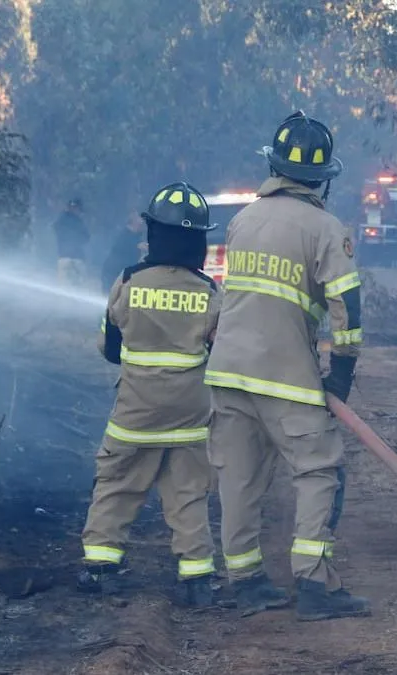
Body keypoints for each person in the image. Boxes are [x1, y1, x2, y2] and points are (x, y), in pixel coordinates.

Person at [205, 111, 368, 622]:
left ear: (274, 167)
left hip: (228, 372)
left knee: (239, 477)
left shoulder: (244, 219)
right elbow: (346, 303)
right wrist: (341, 368)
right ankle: (314, 584)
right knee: (319, 470)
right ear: (323, 175)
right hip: (286, 376)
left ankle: (246, 581)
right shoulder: (325, 228)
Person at [77, 181, 221, 608]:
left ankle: (101, 567)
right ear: (198, 239)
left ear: (153, 233)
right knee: (188, 492)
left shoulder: (127, 281)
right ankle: (196, 579)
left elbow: (109, 348)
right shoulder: (209, 291)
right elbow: (220, 347)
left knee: (117, 484)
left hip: (136, 410)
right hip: (190, 414)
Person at [100, 211, 147, 293]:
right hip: (113, 272)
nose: (142, 223)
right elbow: (121, 248)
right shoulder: (123, 236)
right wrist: (137, 246)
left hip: (124, 275)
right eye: (140, 222)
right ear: (133, 221)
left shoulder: (137, 237)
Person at [52, 198, 90, 285]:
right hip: (74, 258)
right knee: (77, 285)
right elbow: (86, 237)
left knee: (66, 285)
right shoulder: (79, 221)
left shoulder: (61, 219)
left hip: (69, 257)